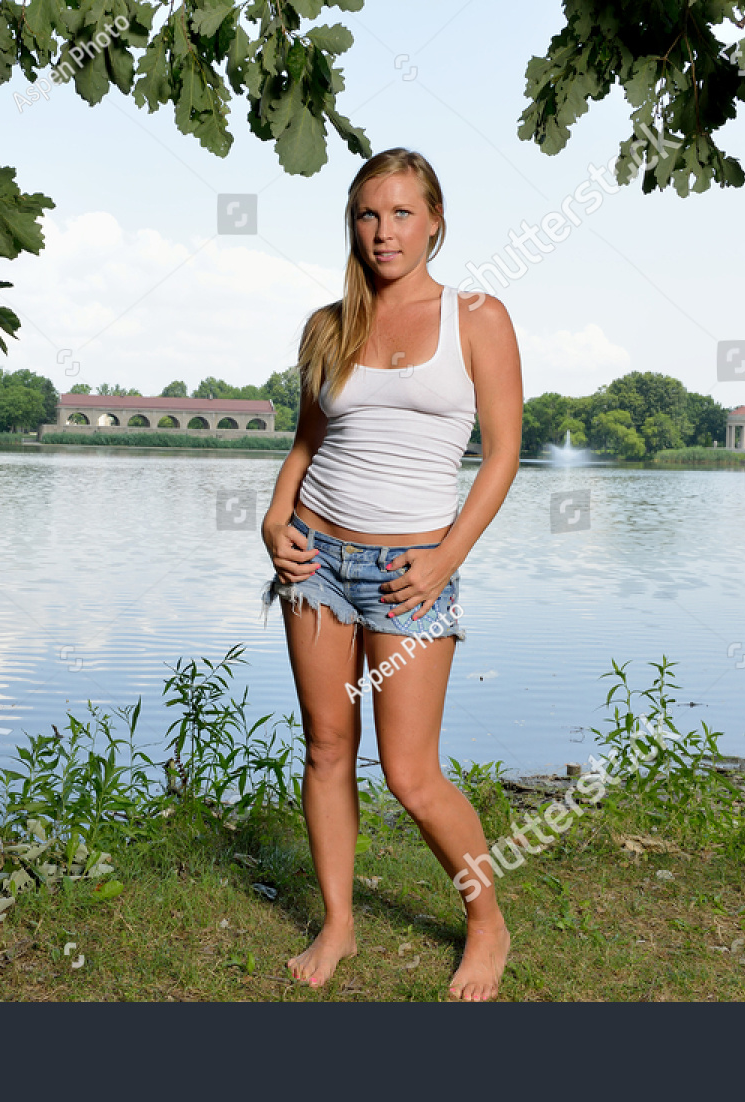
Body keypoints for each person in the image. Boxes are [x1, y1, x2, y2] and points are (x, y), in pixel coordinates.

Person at [259, 147, 523, 1001]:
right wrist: (275, 516)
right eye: (370, 215)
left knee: (410, 772)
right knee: (327, 746)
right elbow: (308, 440)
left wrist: (445, 558)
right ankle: (339, 924)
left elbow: (503, 455)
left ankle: (487, 922)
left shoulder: (478, 317)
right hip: (317, 559)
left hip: (412, 568)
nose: (385, 232)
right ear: (353, 223)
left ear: (436, 222)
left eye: (403, 213)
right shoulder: (327, 324)